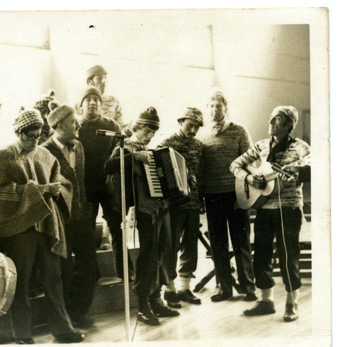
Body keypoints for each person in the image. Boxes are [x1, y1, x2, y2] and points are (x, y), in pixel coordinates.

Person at [0, 109, 84, 344]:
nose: (35, 140)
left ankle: (62, 329)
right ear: (19, 133)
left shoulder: (44, 155)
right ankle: (22, 334)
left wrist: (55, 188)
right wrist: (34, 190)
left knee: (53, 278)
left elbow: (59, 181)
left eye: (38, 135)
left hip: (46, 223)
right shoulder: (2, 155)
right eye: (31, 136)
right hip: (19, 228)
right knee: (21, 280)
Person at [230, 106, 310, 322]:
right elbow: (236, 164)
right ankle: (266, 301)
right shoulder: (261, 146)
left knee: (288, 258)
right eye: (272, 117)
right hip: (264, 208)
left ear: (288, 126)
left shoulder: (301, 148)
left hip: (289, 210)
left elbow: (314, 165)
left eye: (277, 119)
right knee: (261, 256)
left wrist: (299, 171)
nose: (271, 121)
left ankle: (292, 303)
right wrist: (248, 178)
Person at [104, 107, 179, 326]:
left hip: (158, 207)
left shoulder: (151, 150)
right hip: (142, 209)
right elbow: (108, 167)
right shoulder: (124, 147)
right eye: (147, 131)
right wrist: (133, 156)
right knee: (148, 255)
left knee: (162, 251)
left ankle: (156, 300)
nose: (150, 136)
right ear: (137, 127)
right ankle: (143, 306)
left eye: (153, 133)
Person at [197, 89, 256, 302]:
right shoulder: (202, 135)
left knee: (242, 242)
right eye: (211, 106)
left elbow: (251, 161)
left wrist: (247, 189)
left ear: (225, 108)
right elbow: (200, 169)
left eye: (218, 106)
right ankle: (223, 287)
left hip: (238, 196)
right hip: (213, 196)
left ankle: (249, 286)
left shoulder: (239, 131)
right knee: (218, 244)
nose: (214, 110)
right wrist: (201, 197)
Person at [41, 102, 96, 328]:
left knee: (91, 268)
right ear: (60, 126)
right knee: (62, 272)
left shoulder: (80, 147)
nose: (78, 125)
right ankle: (65, 319)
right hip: (60, 223)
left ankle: (77, 313)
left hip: (83, 220)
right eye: (73, 122)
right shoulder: (44, 150)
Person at [76, 86, 130, 277]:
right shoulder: (75, 127)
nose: (92, 103)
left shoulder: (112, 126)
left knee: (117, 227)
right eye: (88, 100)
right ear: (81, 106)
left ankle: (124, 271)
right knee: (87, 230)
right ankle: (91, 273)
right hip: (85, 189)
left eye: (96, 100)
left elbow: (121, 153)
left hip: (108, 187)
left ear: (100, 104)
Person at [158, 107, 205, 307]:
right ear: (180, 122)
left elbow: (201, 173)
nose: (193, 130)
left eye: (196, 127)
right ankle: (169, 290)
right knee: (171, 246)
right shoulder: (166, 144)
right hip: (174, 204)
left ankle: (185, 288)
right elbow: (157, 170)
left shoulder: (199, 146)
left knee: (190, 245)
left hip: (193, 202)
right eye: (189, 125)